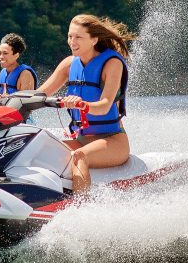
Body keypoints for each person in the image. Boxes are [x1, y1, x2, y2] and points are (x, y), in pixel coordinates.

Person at [37, 14, 134, 194]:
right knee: (38, 151)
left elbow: (105, 105)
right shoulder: (68, 64)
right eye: (69, 36)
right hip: (82, 139)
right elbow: (39, 94)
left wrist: (83, 105)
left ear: (94, 40)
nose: (72, 41)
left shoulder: (111, 63)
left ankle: (81, 209)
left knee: (78, 156)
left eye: (78, 37)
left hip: (112, 140)